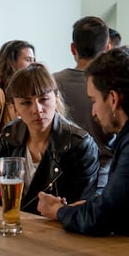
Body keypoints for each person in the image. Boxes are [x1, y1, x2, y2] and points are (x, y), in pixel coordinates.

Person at [37, 47, 129, 247]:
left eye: (94, 100)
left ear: (113, 99)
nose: (93, 112)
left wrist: (57, 211)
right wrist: (88, 207)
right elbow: (125, 203)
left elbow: (103, 218)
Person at [0, 63, 99, 215]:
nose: (37, 109)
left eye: (44, 99)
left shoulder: (79, 144)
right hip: (13, 225)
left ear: (56, 98)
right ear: (14, 107)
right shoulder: (10, 135)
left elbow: (82, 208)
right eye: (26, 103)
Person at [54, 17, 113, 188]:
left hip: (60, 178)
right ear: (108, 48)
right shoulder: (113, 86)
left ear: (73, 48)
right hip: (102, 179)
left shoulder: (52, 84)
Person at [0, 40, 35, 130]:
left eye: (34, 60)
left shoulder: (29, 95)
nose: (34, 65)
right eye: (28, 60)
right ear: (11, 63)